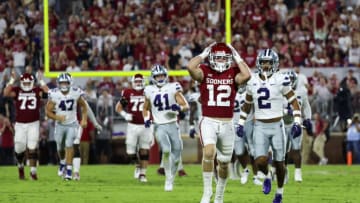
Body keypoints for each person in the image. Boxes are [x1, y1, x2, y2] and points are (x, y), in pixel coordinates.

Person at [187, 42, 251, 203]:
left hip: (227, 124)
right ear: (211, 58)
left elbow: (247, 75)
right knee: (209, 152)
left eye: (225, 58)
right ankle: (207, 192)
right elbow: (190, 67)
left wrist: (236, 54)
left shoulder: (233, 72)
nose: (222, 61)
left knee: (224, 164)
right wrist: (204, 53)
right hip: (208, 121)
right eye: (218, 58)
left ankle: (219, 195)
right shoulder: (205, 71)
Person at [239, 49, 302, 203]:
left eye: (269, 62)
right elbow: (247, 104)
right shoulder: (252, 81)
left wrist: (297, 121)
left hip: (277, 125)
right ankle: (267, 176)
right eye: (263, 62)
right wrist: (241, 122)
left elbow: (294, 101)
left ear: (275, 64)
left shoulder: (281, 79)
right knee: (259, 161)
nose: (266, 65)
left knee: (280, 163)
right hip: (259, 125)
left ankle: (279, 192)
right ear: (259, 63)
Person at [142, 64, 189, 191]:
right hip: (159, 125)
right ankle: (168, 179)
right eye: (158, 76)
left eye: (162, 75)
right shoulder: (149, 89)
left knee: (177, 153)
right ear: (153, 77)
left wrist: (178, 108)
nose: (160, 77)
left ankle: (171, 178)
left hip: (173, 124)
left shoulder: (173, 87)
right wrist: (147, 119)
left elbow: (185, 105)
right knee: (166, 150)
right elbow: (145, 108)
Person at [3, 72, 49, 180]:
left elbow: (48, 93)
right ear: (22, 82)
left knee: (32, 146)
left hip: (33, 123)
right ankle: (20, 166)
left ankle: (33, 172)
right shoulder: (17, 90)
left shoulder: (37, 90)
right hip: (20, 124)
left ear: (32, 82)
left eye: (29, 83)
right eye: (25, 83)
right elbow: (5, 93)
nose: (27, 85)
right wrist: (11, 80)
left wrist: (41, 80)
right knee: (19, 148)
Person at [46, 72, 88, 180]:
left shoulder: (75, 92)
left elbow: (84, 106)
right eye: (62, 83)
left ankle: (69, 171)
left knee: (70, 145)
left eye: (66, 82)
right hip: (60, 125)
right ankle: (62, 162)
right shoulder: (54, 94)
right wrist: (57, 118)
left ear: (70, 83)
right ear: (58, 83)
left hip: (72, 124)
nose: (64, 85)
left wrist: (84, 119)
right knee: (60, 147)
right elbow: (48, 112)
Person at [115, 73, 152, 182]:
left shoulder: (148, 91)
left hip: (145, 125)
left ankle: (143, 174)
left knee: (144, 149)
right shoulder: (128, 92)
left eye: (140, 81)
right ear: (132, 82)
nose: (138, 83)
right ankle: (137, 165)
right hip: (132, 125)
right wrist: (125, 115)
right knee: (130, 151)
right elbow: (118, 107)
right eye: (136, 81)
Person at [282, 70, 312, 183]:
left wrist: (308, 118)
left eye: (292, 80)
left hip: (296, 122)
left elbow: (307, 107)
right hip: (282, 124)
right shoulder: (279, 91)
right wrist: (285, 111)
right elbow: (274, 108)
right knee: (282, 152)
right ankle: (284, 172)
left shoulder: (302, 92)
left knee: (296, 149)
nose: (290, 83)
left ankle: (298, 172)